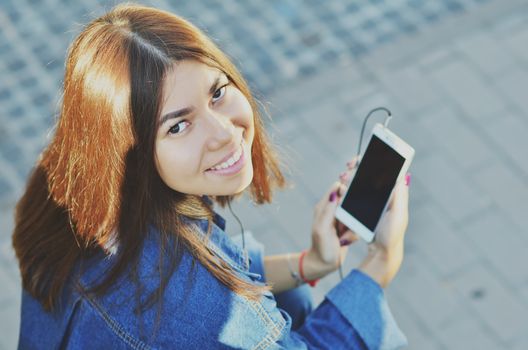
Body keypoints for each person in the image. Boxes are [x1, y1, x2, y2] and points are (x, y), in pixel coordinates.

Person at [12, 4, 410, 349]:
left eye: (217, 92)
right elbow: (211, 301)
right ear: (131, 159)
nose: (224, 133)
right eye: (178, 126)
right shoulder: (190, 305)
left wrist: (312, 264)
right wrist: (381, 262)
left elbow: (221, 268)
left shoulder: (69, 184)